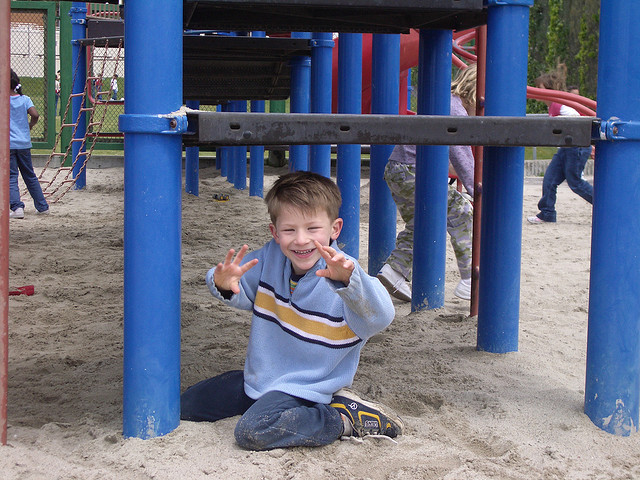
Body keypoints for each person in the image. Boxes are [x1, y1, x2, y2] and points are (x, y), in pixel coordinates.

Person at [180, 171, 403, 450]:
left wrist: (349, 282)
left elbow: (381, 316)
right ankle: (261, 400)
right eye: (289, 230)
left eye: (312, 229)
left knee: (252, 431)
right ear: (275, 232)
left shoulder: (344, 272)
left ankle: (343, 417)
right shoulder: (270, 257)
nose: (300, 240)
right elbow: (239, 287)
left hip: (307, 388)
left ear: (334, 229)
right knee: (184, 405)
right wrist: (222, 282)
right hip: (262, 379)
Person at [377, 64, 477, 302]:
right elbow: (460, 154)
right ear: (475, 94)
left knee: (421, 224)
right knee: (462, 211)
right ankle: (469, 279)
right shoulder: (454, 109)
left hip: (399, 169)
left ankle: (394, 271)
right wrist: (477, 189)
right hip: (414, 171)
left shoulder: (444, 102)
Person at [527, 64, 593, 224]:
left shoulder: (560, 106)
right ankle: (547, 213)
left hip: (576, 146)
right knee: (549, 179)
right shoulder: (553, 106)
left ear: (549, 90)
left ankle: (604, 205)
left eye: (540, 88)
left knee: (575, 182)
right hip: (566, 148)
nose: (537, 91)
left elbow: (578, 119)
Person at [9, 69, 49, 219]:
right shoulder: (25, 99)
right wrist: (30, 125)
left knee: (11, 176)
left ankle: (17, 207)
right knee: (30, 175)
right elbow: (35, 114)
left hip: (8, 144)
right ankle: (42, 206)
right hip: (24, 144)